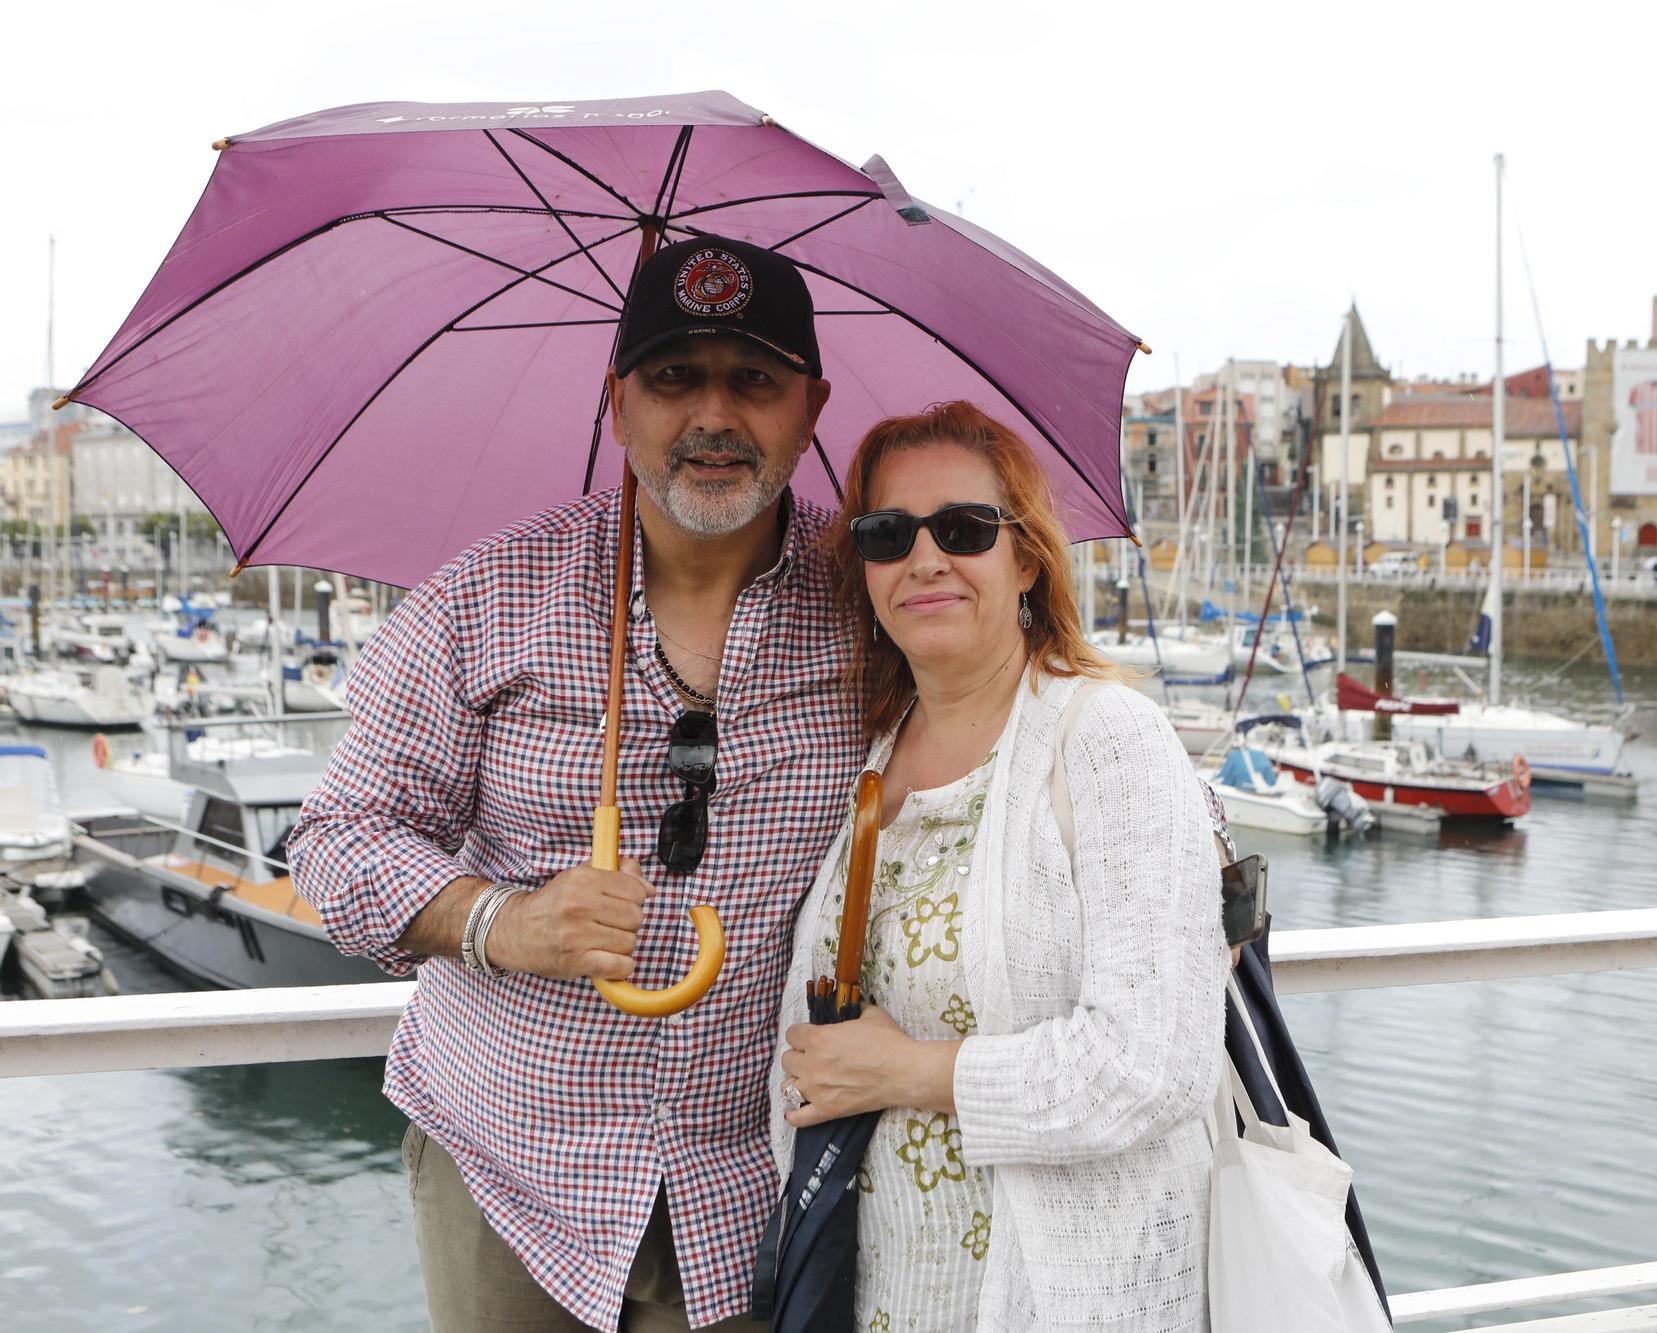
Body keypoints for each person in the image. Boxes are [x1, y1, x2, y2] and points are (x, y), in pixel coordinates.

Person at [291, 235, 857, 1332]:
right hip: (509, 1171)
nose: (712, 417)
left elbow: (1026, 733)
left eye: (753, 380)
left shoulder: (870, 599)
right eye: (672, 378)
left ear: (810, 405)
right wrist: (504, 919)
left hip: (752, 1184)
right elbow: (338, 836)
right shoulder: (492, 591)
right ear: (616, 402)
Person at [770, 402, 1228, 1331]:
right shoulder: (872, 756)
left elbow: (1154, 1063)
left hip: (1057, 1298)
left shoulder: (1105, 736)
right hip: (874, 1296)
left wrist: (909, 1071)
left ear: (1025, 559)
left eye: (965, 528)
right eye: (888, 533)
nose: (925, 557)